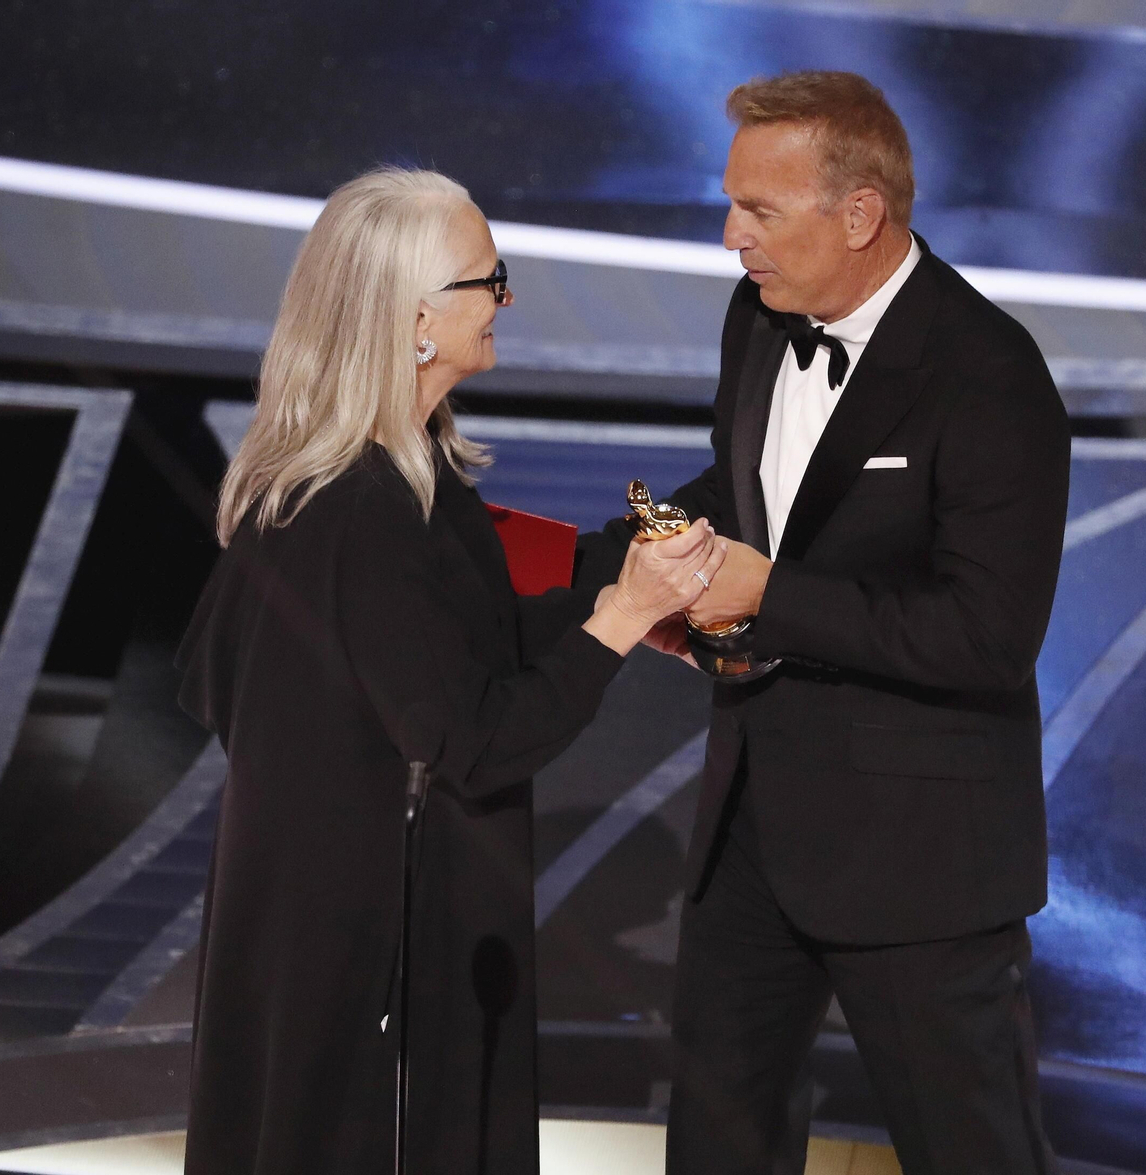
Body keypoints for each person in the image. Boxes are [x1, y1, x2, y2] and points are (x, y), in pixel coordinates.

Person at [175, 167, 726, 1175]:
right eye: (491, 278)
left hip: (312, 921)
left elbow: (445, 644)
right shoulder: (363, 506)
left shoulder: (350, 475)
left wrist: (617, 598)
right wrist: (623, 617)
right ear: (415, 315)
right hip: (372, 953)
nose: (506, 299)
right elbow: (472, 737)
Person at [579, 73, 1070, 1174]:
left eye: (759, 210)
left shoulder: (989, 375)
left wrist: (767, 593)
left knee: (970, 1148)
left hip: (920, 861)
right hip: (750, 825)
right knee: (717, 1143)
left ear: (859, 215)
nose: (729, 236)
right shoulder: (757, 318)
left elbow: (988, 634)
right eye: (730, 204)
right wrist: (673, 557)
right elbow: (756, 487)